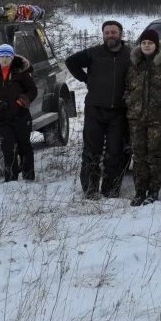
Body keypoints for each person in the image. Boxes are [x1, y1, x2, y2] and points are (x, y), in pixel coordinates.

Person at [65, 21, 131, 199]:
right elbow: (70, 62)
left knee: (115, 152)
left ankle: (111, 189)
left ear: (120, 34)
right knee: (91, 151)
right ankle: (90, 189)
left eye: (114, 32)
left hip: (118, 111)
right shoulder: (94, 53)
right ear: (103, 35)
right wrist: (86, 79)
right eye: (107, 32)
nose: (110, 35)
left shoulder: (130, 54)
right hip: (95, 109)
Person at [124, 29, 161, 206]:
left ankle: (154, 191)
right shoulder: (134, 64)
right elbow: (127, 87)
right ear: (140, 45)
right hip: (136, 118)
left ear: (156, 45)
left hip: (158, 119)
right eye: (144, 43)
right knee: (139, 156)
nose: (146, 46)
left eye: (150, 43)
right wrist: (128, 100)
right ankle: (140, 191)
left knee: (155, 155)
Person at [0, 44, 38, 182]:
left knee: (24, 145)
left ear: (13, 58)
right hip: (1, 118)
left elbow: (32, 90)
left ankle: (28, 176)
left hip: (21, 116)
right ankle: (11, 178)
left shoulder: (21, 72)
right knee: (7, 147)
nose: (5, 59)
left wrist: (22, 101)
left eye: (8, 57)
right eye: (2, 57)